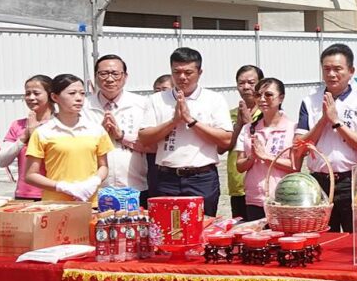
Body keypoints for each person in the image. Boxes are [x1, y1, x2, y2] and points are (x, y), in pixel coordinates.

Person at [138, 48, 232, 215]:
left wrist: (191, 121)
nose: (182, 77)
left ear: (199, 72)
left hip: (201, 177)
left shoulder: (214, 99)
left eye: (188, 72)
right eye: (177, 72)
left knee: (202, 229)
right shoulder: (156, 99)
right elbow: (144, 138)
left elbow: (225, 139)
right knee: (166, 231)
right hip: (166, 178)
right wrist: (173, 121)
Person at [296, 44, 357, 232]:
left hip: (352, 180)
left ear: (351, 71)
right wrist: (323, 120)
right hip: (319, 181)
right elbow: (299, 145)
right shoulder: (311, 100)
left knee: (355, 239)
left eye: (337, 69)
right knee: (322, 238)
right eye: (327, 69)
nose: (331, 74)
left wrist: (336, 122)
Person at [23, 73, 112, 203]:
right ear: (55, 97)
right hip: (56, 204)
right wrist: (62, 187)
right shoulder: (43, 132)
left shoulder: (96, 130)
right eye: (72, 93)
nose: (79, 98)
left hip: (90, 202)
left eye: (82, 93)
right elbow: (31, 175)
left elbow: (103, 166)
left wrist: (94, 182)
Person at [85, 55, 150, 201]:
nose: (109, 79)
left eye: (115, 73)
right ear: (95, 76)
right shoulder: (83, 107)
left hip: (136, 185)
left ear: (125, 76)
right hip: (95, 188)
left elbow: (152, 145)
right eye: (103, 74)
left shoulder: (143, 104)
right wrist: (100, 135)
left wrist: (121, 136)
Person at [234, 78, 297, 221]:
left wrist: (265, 156)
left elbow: (295, 166)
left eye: (268, 95)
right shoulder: (248, 129)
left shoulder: (293, 128)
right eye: (258, 95)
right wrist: (252, 158)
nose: (262, 99)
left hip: (282, 199)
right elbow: (239, 166)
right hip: (255, 199)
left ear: (281, 98)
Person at [0, 75, 54, 201]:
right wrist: (24, 137)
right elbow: (2, 160)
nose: (31, 98)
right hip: (24, 195)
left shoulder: (59, 124)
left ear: (51, 95)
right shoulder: (18, 125)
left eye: (36, 93)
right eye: (27, 93)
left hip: (53, 195)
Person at [227, 65, 263, 218]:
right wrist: (239, 124)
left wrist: (249, 122)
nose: (246, 87)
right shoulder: (230, 114)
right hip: (237, 183)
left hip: (261, 185)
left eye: (251, 82)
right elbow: (224, 146)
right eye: (241, 83)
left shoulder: (269, 112)